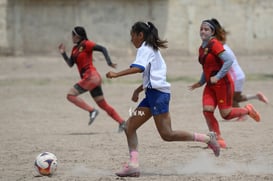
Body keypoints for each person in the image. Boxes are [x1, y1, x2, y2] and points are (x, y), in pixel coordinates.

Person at [106, 21, 220, 177]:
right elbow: (153, 74)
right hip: (152, 95)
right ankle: (133, 165)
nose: (131, 40)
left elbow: (139, 68)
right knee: (129, 126)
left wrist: (116, 74)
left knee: (167, 134)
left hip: (158, 96)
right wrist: (139, 89)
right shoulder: (151, 49)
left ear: (140, 35)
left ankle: (208, 138)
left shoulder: (145, 48)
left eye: (132, 36)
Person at [189, 19, 261, 148]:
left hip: (224, 84)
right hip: (210, 85)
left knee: (226, 114)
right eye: (201, 29)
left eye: (206, 29)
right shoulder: (201, 48)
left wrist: (218, 76)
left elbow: (229, 60)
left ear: (212, 32)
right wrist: (200, 82)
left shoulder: (215, 44)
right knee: (207, 110)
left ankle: (247, 111)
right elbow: (207, 67)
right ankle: (218, 139)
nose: (203, 31)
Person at [58, 26, 125, 132]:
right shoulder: (75, 49)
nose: (72, 37)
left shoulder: (86, 44)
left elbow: (103, 49)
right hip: (92, 79)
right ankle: (122, 122)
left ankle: (92, 111)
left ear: (78, 36)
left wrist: (109, 62)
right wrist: (63, 53)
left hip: (91, 77)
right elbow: (70, 64)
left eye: (73, 35)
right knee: (102, 104)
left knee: (70, 95)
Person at [210, 18, 268, 111]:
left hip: (235, 77)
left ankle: (244, 113)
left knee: (230, 98)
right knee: (236, 98)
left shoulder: (221, 49)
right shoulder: (223, 46)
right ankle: (256, 96)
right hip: (239, 75)